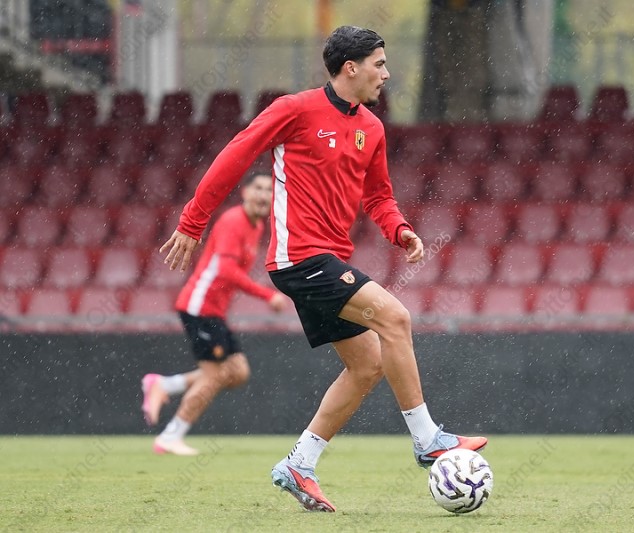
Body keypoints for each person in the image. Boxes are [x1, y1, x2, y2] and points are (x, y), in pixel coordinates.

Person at [160, 26, 487, 511]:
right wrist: (193, 221)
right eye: (379, 64)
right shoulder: (293, 110)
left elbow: (379, 197)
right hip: (299, 258)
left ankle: (300, 464)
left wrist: (400, 230)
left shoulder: (372, 128)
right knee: (396, 319)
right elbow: (235, 156)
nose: (386, 74)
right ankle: (427, 439)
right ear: (350, 68)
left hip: (327, 261)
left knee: (368, 364)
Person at [142, 171, 286, 456]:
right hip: (200, 306)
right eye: (258, 188)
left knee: (238, 372)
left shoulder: (257, 226)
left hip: (214, 310)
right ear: (245, 193)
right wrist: (267, 295)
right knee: (216, 374)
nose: (263, 195)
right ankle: (170, 437)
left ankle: (164, 385)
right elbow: (226, 270)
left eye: (269, 190)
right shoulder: (234, 221)